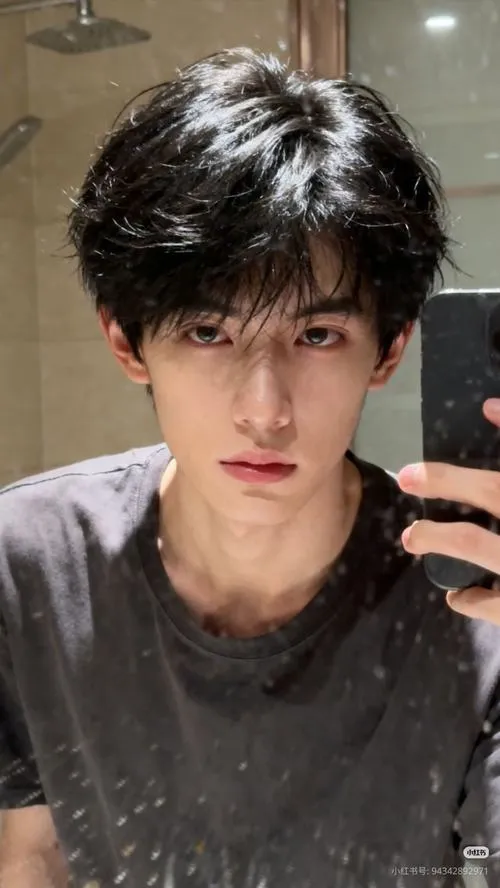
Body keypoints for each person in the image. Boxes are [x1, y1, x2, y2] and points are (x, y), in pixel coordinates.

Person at [0, 47, 499, 888]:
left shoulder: (471, 596)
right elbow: (30, 855)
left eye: (318, 335)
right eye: (208, 332)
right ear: (126, 340)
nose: (264, 411)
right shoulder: (29, 566)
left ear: (389, 350)